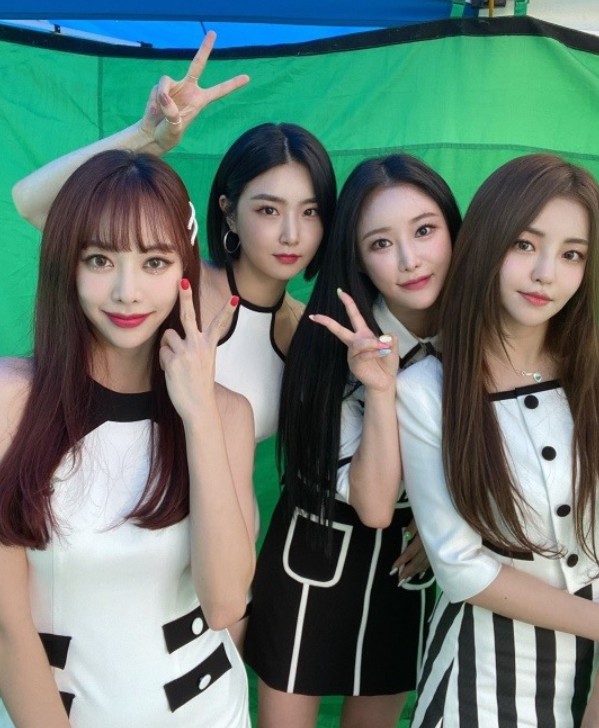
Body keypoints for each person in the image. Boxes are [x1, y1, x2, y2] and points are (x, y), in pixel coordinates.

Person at [0, 150, 256, 728]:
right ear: (67, 267)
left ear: (184, 272)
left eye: (155, 261)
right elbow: (7, 627)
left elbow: (224, 603)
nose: (127, 291)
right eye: (100, 259)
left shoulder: (226, 414)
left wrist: (199, 415)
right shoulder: (12, 401)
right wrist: (145, 135)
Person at [12, 30, 337, 443]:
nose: (291, 234)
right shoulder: (174, 282)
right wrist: (147, 136)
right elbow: (31, 202)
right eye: (269, 210)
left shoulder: (310, 332)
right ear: (229, 212)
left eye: (310, 212)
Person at [244, 154, 462, 728]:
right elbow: (372, 503)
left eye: (424, 231)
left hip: (405, 571)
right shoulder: (331, 344)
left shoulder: (481, 337)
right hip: (314, 556)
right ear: (358, 258)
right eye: (381, 243)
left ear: (453, 230)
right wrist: (381, 389)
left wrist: (448, 522)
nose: (410, 260)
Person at [397, 153, 599, 727]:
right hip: (482, 684)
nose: (546, 274)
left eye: (572, 254)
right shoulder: (427, 388)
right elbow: (462, 569)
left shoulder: (590, 373)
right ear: (486, 242)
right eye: (525, 244)